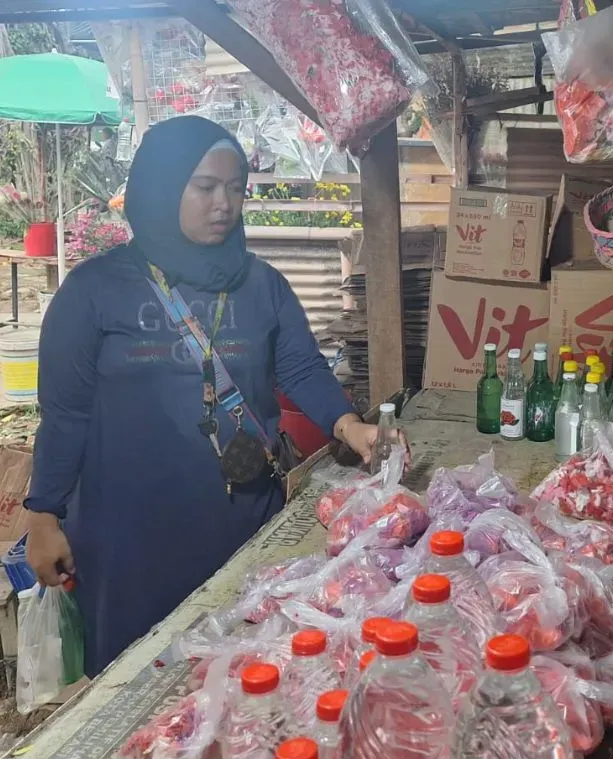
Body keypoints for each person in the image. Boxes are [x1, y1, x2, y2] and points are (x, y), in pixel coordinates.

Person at [24, 116, 383, 676]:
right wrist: (43, 515)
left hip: (240, 522)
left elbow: (300, 366)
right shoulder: (94, 291)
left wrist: (347, 424)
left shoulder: (261, 284)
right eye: (205, 187)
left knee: (246, 673)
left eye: (236, 188)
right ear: (162, 186)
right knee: (136, 686)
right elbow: (65, 414)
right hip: (130, 537)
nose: (225, 204)